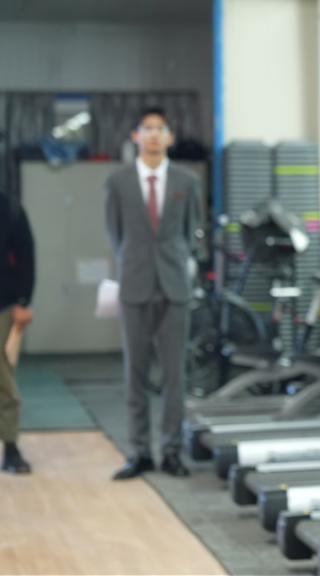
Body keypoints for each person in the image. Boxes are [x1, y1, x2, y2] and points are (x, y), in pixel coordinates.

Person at [105, 107, 201, 480]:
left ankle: (172, 451)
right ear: (136, 136)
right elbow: (115, 234)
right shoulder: (118, 182)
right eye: (147, 128)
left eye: (161, 128)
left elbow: (192, 232)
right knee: (136, 373)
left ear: (170, 137)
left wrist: (175, 261)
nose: (154, 135)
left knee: (176, 375)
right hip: (135, 284)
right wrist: (134, 262)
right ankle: (140, 451)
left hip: (174, 286)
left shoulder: (186, 181)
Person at [0, 196, 35, 474]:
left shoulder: (8, 208)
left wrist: (23, 301)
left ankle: (10, 448)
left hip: (2, 306)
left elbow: (26, 255)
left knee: (3, 381)